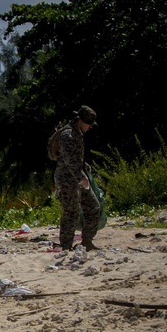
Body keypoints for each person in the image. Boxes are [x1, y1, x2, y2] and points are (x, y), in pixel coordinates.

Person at [55, 105, 101, 251]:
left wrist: (85, 167)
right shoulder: (67, 135)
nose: (90, 127)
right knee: (71, 212)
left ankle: (87, 241)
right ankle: (65, 246)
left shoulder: (77, 133)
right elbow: (69, 160)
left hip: (78, 177)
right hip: (67, 179)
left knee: (93, 207)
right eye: (89, 124)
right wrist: (82, 177)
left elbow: (76, 157)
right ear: (81, 121)